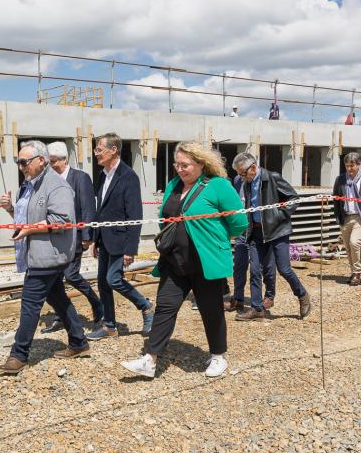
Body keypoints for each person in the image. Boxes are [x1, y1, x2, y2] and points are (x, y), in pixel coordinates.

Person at [121, 142, 247, 378]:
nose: (180, 169)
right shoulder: (173, 185)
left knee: (211, 311)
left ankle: (218, 357)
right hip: (174, 261)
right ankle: (150, 359)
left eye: (185, 165)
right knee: (165, 308)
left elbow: (239, 223)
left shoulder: (219, 186)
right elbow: (164, 219)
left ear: (201, 163)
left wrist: (215, 239)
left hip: (205, 262)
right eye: (176, 164)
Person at [0, 141, 89, 374]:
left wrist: (30, 229)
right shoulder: (28, 185)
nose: (21, 167)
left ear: (41, 160)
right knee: (57, 298)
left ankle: (18, 355)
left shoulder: (57, 186)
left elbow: (62, 220)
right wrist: (10, 208)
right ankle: (79, 342)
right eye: (19, 162)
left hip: (49, 254)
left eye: (24, 162)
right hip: (36, 253)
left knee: (30, 304)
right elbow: (25, 216)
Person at [87, 133, 155, 340]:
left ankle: (146, 306)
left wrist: (130, 249)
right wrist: (96, 239)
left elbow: (134, 215)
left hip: (121, 239)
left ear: (114, 150)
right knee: (102, 283)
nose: (95, 153)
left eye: (99, 149)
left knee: (113, 279)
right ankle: (110, 326)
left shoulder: (128, 176)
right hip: (105, 239)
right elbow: (101, 210)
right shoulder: (102, 175)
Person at [230, 152, 312, 320]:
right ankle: (257, 309)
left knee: (284, 269)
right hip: (256, 233)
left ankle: (302, 295)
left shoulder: (272, 177)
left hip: (277, 231)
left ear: (253, 168)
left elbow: (293, 198)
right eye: (239, 174)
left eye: (243, 173)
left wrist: (278, 215)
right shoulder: (247, 182)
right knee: (254, 270)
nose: (241, 177)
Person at [38, 141, 104, 333]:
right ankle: (61, 316)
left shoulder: (80, 178)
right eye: (48, 163)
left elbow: (87, 207)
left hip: (75, 237)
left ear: (64, 159)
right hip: (55, 237)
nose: (50, 166)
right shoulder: (48, 180)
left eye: (53, 162)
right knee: (56, 279)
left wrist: (87, 235)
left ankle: (96, 303)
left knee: (71, 275)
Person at [224, 172, 275, 312]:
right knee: (239, 264)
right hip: (243, 229)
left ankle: (269, 296)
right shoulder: (237, 180)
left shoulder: (263, 179)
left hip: (260, 230)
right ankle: (238, 299)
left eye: (242, 171)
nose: (240, 174)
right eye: (238, 172)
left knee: (263, 266)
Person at [332, 152, 361, 285]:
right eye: (347, 166)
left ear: (359, 164)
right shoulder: (340, 179)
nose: (349, 169)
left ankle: (357, 272)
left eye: (352, 166)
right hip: (345, 216)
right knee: (347, 246)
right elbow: (336, 199)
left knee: (354, 243)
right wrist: (337, 217)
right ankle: (353, 271)